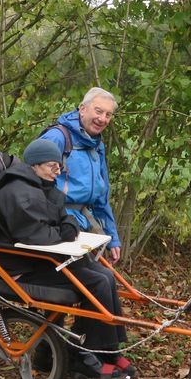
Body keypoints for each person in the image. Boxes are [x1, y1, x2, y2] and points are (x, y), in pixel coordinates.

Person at [0, 139, 135, 379]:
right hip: (21, 267)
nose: (57, 171)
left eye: (59, 165)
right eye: (52, 166)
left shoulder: (42, 186)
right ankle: (84, 355)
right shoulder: (17, 192)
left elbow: (67, 219)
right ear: (34, 165)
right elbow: (36, 236)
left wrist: (66, 228)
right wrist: (65, 231)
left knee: (105, 275)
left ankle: (107, 349)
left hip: (40, 259)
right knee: (96, 282)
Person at [38, 87, 121, 264]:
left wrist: (112, 237)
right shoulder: (57, 138)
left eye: (108, 115)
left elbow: (101, 196)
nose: (103, 119)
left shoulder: (96, 145)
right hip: (59, 227)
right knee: (91, 282)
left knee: (102, 278)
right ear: (82, 109)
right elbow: (32, 188)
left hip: (85, 224)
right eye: (98, 111)